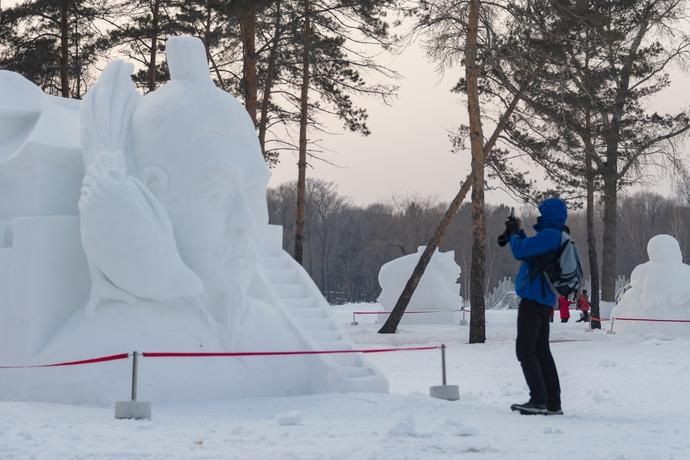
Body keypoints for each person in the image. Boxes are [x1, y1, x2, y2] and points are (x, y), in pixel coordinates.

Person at [505, 197, 567, 416]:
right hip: (542, 300)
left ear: (548, 215)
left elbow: (521, 251)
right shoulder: (554, 235)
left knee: (525, 349)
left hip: (534, 300)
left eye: (542, 212)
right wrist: (516, 234)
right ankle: (552, 402)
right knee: (540, 350)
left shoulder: (550, 235)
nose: (539, 216)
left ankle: (539, 400)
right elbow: (530, 251)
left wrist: (514, 234)